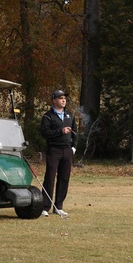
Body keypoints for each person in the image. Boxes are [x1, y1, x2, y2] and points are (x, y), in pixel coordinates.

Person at [40, 89, 76, 219]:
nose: (64, 100)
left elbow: (74, 132)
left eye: (65, 98)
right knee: (50, 177)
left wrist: (74, 147)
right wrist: (60, 131)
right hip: (54, 150)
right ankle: (45, 207)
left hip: (67, 150)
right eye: (61, 98)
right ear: (54, 100)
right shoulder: (48, 116)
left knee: (64, 178)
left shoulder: (70, 115)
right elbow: (45, 133)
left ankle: (58, 207)